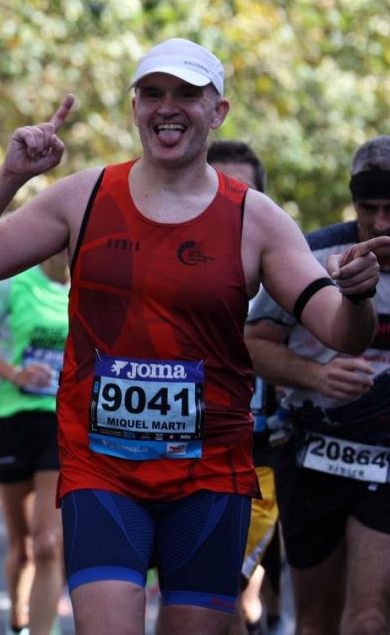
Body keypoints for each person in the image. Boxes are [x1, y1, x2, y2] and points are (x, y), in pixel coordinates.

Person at [0, 38, 384, 635]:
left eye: (187, 95)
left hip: (209, 475)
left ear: (217, 111)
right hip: (102, 468)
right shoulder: (84, 197)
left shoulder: (257, 219)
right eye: (152, 93)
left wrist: (356, 293)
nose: (167, 107)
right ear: (135, 107)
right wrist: (10, 176)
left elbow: (341, 332)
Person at [245, 135, 390, 635]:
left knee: (371, 620)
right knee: (316, 622)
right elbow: (252, 343)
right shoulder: (311, 252)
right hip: (311, 450)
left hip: (385, 457)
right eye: (368, 208)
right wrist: (319, 375)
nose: (381, 224)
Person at [0, 255, 69, 635]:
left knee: (48, 543)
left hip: (60, 421)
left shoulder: (92, 286)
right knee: (22, 546)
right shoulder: (11, 284)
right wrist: (15, 372)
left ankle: (43, 629)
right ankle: (18, 620)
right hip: (9, 418)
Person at [205, 140, 284, 635]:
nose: (227, 201)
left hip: (260, 464)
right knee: (199, 596)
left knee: (222, 589)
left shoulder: (287, 275)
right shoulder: (162, 277)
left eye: (241, 190)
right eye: (215, 188)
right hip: (182, 456)